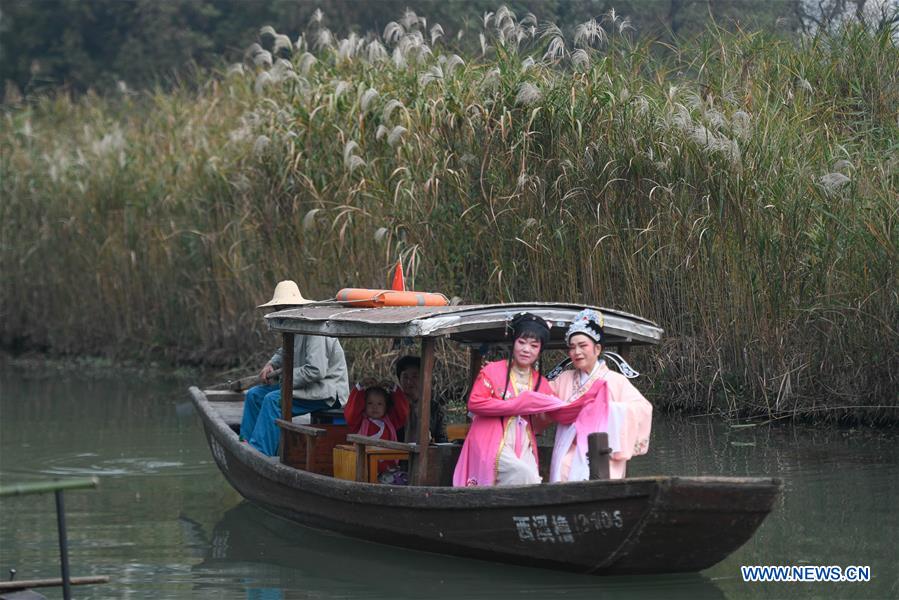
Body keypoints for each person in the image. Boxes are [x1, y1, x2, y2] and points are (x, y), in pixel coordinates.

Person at [452, 313, 565, 487]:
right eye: (522, 342)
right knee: (523, 474)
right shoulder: (492, 370)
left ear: (540, 350)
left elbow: (549, 416)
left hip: (523, 440)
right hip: (490, 438)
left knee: (532, 482)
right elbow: (475, 403)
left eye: (534, 345)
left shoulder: (541, 382)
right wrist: (517, 405)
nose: (526, 349)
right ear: (513, 342)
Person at [240, 281, 349, 456]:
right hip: (305, 386)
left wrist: (284, 379)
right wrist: (271, 364)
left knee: (272, 400)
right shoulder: (295, 325)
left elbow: (316, 370)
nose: (280, 312)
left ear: (295, 307)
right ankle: (244, 445)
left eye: (283, 308)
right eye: (278, 309)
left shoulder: (314, 329)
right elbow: (285, 350)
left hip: (327, 391)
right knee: (254, 395)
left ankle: (260, 452)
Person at [548, 309, 652, 481]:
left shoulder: (616, 380)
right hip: (567, 449)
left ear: (597, 349)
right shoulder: (563, 379)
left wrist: (607, 411)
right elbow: (543, 399)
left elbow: (643, 408)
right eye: (572, 347)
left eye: (583, 346)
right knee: (564, 471)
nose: (577, 352)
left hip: (603, 452)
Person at [395, 355, 448, 443]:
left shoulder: (434, 408)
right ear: (399, 379)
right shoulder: (393, 405)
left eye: (415, 376)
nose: (409, 382)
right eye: (405, 377)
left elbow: (442, 439)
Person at [344, 379, 410, 441]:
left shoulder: (391, 420)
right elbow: (351, 413)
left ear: (386, 406)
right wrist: (360, 386)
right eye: (370, 403)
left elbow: (403, 413)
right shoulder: (360, 422)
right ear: (364, 405)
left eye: (379, 404)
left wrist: (394, 388)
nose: (375, 407)